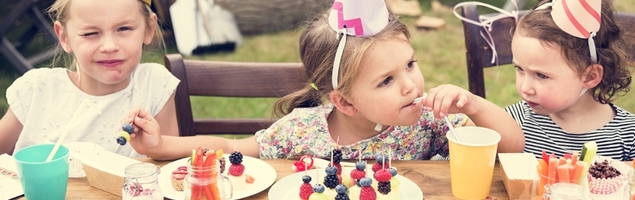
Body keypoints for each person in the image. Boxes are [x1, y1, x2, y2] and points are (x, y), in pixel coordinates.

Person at [128, 0, 524, 161]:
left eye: (410, 64)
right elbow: (231, 147)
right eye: (386, 81)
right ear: (345, 102)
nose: (410, 85)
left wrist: (473, 105)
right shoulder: (304, 132)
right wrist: (160, 144)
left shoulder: (428, 124)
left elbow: (512, 147)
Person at [0, 0, 180, 157]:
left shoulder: (154, 85)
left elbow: (169, 168)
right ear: (64, 37)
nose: (109, 46)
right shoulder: (36, 90)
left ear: (149, 29)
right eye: (90, 33)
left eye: (123, 29)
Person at [504, 0, 635, 161]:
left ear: (589, 77)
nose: (525, 88)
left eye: (541, 75)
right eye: (520, 69)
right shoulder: (514, 121)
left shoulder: (631, 137)